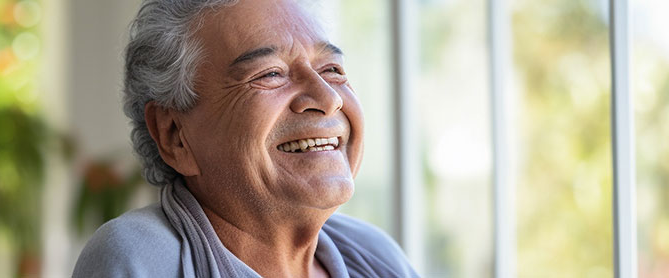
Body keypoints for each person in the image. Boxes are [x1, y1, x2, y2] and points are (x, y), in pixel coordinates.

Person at [72, 0, 418, 277]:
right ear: (174, 135)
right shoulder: (143, 257)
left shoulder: (373, 254)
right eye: (270, 74)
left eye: (332, 70)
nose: (329, 98)